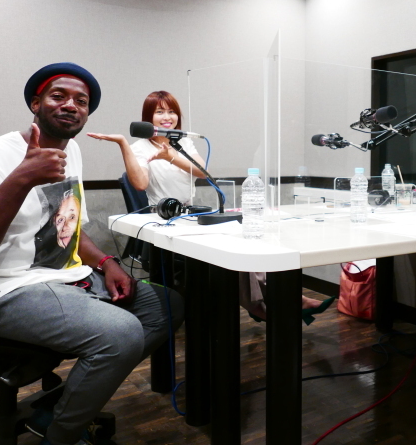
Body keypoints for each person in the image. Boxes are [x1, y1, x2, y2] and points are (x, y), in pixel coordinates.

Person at [0, 63, 183, 445]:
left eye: (81, 101)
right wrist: (21, 179)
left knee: (166, 305)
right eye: (58, 96)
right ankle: (60, 444)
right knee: (120, 333)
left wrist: (107, 262)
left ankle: (58, 410)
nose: (71, 105)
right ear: (36, 104)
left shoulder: (72, 151)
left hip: (65, 279)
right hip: (4, 290)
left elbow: (67, 226)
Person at [87, 91, 335, 324]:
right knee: (229, 250)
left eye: (171, 111)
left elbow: (202, 172)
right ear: (148, 118)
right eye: (159, 112)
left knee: (243, 243)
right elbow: (140, 183)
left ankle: (281, 300)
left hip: (191, 214)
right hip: (165, 220)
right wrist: (123, 144)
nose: (167, 117)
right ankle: (268, 303)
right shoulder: (140, 148)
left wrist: (170, 155)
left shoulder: (183, 142)